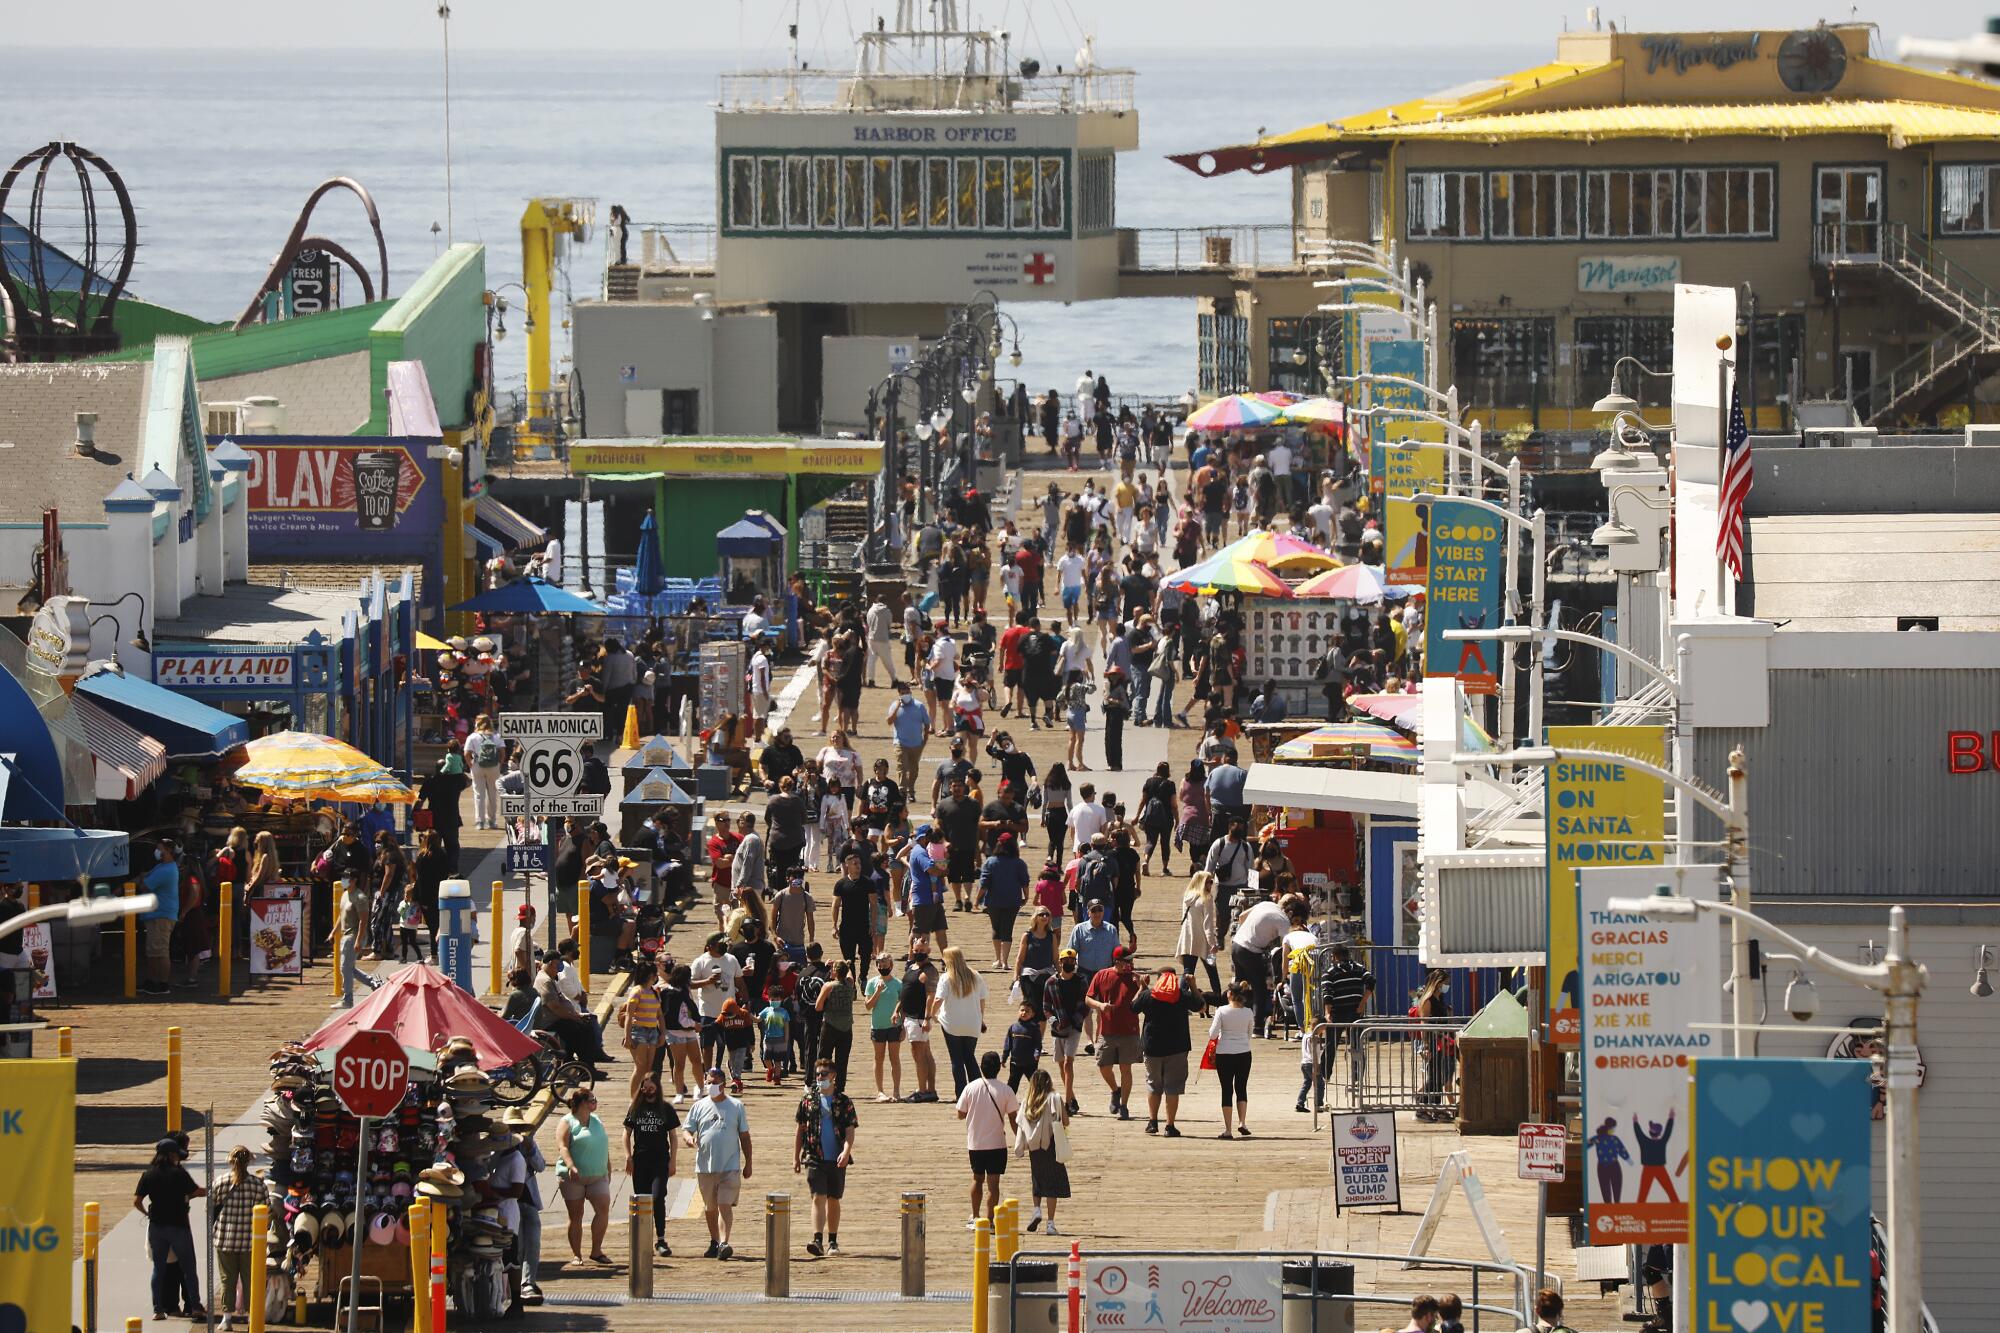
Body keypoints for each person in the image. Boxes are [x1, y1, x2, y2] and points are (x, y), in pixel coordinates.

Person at [682, 1068, 754, 1259]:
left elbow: (744, 1136)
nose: (711, 1086)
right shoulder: (698, 1106)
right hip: (705, 1165)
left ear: (723, 1084)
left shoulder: (736, 1106)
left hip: (729, 1165)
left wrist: (749, 1163)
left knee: (724, 1204)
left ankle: (724, 1242)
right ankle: (714, 1240)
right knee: (710, 1207)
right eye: (708, 1082)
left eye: (714, 1082)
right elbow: (686, 1129)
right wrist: (689, 1139)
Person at [794, 1056, 859, 1257]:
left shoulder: (844, 1101)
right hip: (814, 1156)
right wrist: (796, 1157)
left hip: (837, 1157)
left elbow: (850, 1130)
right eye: (818, 1074)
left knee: (833, 1198)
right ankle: (817, 1239)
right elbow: (800, 1129)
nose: (820, 1077)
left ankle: (833, 1240)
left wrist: (846, 1152)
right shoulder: (808, 1100)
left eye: (823, 1074)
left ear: (833, 1076)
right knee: (818, 1196)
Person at [136, 1136, 206, 1320]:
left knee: (158, 1269)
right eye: (176, 1154)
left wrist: (147, 1214)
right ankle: (196, 1306)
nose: (177, 1158)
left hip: (156, 1227)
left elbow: (136, 1201)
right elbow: (196, 1191)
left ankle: (157, 1309)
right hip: (178, 1227)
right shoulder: (178, 1173)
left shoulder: (148, 1174)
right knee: (188, 1268)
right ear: (170, 1155)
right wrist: (209, 1190)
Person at [956, 1050, 1020, 1228]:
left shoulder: (971, 1088)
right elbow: (1013, 1119)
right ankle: (989, 1220)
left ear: (981, 1067)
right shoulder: (1006, 1090)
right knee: (994, 1185)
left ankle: (975, 1217)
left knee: (977, 1179)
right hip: (997, 1144)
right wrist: (1020, 1139)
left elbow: (960, 1114)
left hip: (976, 1143)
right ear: (999, 1068)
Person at [1230, 892, 1304, 1038]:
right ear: (1290, 914)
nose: (1294, 925)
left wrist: (1254, 932)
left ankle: (1233, 1021)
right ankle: (1257, 1028)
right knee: (1260, 989)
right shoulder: (1283, 921)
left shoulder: (1267, 904)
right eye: (1295, 921)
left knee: (1240, 987)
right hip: (1250, 951)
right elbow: (1288, 945)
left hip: (1236, 944)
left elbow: (1241, 916)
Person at [623, 1076, 682, 1257]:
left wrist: (673, 1160)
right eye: (645, 1088)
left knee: (657, 1197)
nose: (648, 1091)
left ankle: (661, 1239)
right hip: (640, 1160)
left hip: (660, 1160)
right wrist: (628, 1157)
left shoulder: (666, 1108)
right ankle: (642, 1239)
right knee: (641, 1200)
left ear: (657, 1088)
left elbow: (672, 1136)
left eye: (651, 1087)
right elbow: (626, 1134)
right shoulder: (635, 1108)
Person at [1085, 945, 1144, 1118]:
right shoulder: (1102, 975)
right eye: (1127, 961)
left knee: (1126, 1069)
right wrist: (1100, 1005)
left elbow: (1143, 1001)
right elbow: (1088, 998)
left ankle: (1124, 1106)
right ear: (1118, 962)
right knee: (1103, 1065)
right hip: (1107, 1030)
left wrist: (1142, 986)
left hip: (1129, 1030)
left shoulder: (1135, 978)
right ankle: (1115, 1090)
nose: (1131, 964)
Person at [557, 1088, 614, 1265]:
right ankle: (577, 1255)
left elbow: (602, 1144)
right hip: (574, 1178)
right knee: (576, 1215)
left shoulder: (596, 1120)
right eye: (592, 1100)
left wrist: (608, 1167)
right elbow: (563, 1146)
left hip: (598, 1175)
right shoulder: (567, 1122)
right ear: (582, 1103)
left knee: (603, 1209)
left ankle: (596, 1251)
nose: (595, 1102)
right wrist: (570, 1165)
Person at [209, 1144, 262, 1328]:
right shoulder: (257, 1184)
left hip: (225, 1239)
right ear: (249, 1162)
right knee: (250, 1280)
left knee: (227, 1279)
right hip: (249, 1241)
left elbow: (209, 1208)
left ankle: (227, 1318)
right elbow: (266, 1210)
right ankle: (251, 1318)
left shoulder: (220, 1182)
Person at [1319, 942, 1377, 1101]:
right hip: (1356, 1012)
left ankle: (1325, 1075)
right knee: (1357, 1045)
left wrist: (1327, 1013)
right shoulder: (1359, 967)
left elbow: (1327, 993)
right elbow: (1371, 981)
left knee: (1331, 1045)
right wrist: (1363, 1003)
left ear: (1334, 956)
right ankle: (1358, 1077)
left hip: (1338, 1012)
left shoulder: (1330, 972)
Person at [934, 945, 989, 1097]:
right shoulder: (975, 975)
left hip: (952, 1024)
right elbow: (982, 1000)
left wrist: (931, 1015)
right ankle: (978, 1093)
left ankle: (962, 1094)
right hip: (972, 1024)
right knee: (969, 1056)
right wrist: (981, 1018)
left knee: (957, 1060)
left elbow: (938, 999)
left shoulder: (946, 977)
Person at [1208, 982, 1258, 1137]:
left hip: (1224, 1053)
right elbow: (1249, 1034)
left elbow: (1213, 1034)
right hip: (1244, 1052)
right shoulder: (1248, 1012)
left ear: (1229, 994)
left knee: (1227, 1090)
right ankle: (1242, 1122)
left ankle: (1228, 1130)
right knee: (1241, 1087)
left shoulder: (1221, 1011)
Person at [1042, 948, 1089, 1116]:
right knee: (1061, 1063)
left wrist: (1074, 1021)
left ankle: (1068, 1103)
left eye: (1072, 961)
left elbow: (1085, 1006)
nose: (1069, 964)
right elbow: (1046, 1008)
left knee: (1069, 1063)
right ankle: (1073, 1097)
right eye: (1066, 961)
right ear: (1060, 963)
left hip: (1074, 1027)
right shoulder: (1051, 982)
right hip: (1058, 1028)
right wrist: (1055, 1023)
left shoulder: (1081, 981)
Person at [689, 933, 744, 1074]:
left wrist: (746, 1002)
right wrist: (707, 981)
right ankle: (708, 1073)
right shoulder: (700, 961)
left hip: (729, 1012)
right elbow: (690, 984)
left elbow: (739, 981)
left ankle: (733, 1072)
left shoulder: (732, 959)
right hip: (708, 1011)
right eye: (720, 944)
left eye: (725, 943)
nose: (724, 946)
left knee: (732, 1044)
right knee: (707, 1045)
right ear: (710, 947)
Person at [976, 832, 1030, 971]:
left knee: (996, 928)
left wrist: (977, 900)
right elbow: (1025, 882)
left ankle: (998, 959)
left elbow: (984, 884)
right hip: (1013, 900)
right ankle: (1005, 962)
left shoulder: (990, 862)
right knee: (1008, 929)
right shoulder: (1019, 863)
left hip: (993, 900)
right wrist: (1026, 897)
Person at [140, 836, 183, 996]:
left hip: (162, 915)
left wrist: (142, 879)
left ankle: (162, 984)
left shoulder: (167, 870)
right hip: (156, 915)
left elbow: (145, 884)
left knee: (160, 951)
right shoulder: (161, 867)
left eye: (160, 849)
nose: (157, 852)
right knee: (152, 951)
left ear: (169, 851)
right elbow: (145, 877)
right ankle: (151, 981)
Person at [1201, 819, 1254, 939]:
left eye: (1241, 828)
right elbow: (1210, 866)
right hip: (1223, 886)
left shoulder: (1246, 846)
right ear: (1230, 827)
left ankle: (1237, 938)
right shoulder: (1219, 844)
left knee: (1240, 914)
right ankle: (1219, 936)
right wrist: (1206, 886)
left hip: (1241, 886)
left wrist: (1252, 890)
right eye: (1237, 828)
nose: (1239, 831)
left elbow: (1251, 868)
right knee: (1222, 914)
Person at [864, 952, 905, 1102]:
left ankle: (896, 1091)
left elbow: (902, 1006)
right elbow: (868, 1006)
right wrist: (877, 992)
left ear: (891, 966)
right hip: (878, 1025)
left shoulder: (898, 984)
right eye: (880, 966)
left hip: (894, 1025)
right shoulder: (872, 983)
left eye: (885, 965)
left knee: (895, 1058)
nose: (882, 968)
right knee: (879, 1058)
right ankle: (880, 1091)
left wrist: (904, 1026)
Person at [1176, 871, 1223, 995]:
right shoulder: (1206, 898)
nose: (1211, 885)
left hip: (1188, 937)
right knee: (1212, 971)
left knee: (1188, 971)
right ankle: (1218, 999)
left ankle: (1181, 999)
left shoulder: (1188, 895)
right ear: (1202, 883)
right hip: (1202, 940)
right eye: (1209, 882)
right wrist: (1212, 943)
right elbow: (1208, 924)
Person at [816, 960, 858, 1094]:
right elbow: (851, 976)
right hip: (846, 1027)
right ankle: (839, 1088)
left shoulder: (828, 986)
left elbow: (818, 1006)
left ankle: (822, 1084)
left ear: (835, 971)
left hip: (830, 1025)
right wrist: (848, 965)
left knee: (824, 1058)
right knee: (842, 1060)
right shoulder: (850, 984)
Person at [622, 971, 665, 1098]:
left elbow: (660, 1015)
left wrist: (662, 1033)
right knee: (640, 1067)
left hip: (652, 1031)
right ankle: (633, 1099)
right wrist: (627, 1036)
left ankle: (644, 1098)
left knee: (648, 1068)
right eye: (654, 974)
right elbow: (629, 1015)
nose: (656, 976)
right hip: (638, 1031)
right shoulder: (637, 991)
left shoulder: (654, 992)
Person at [465, 715, 505, 829]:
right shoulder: (496, 736)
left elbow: (466, 753)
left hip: (478, 765)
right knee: (492, 793)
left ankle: (480, 822)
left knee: (479, 794)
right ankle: (492, 821)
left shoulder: (472, 737)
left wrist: (471, 765)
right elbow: (503, 753)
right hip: (494, 767)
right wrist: (499, 764)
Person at [1139, 762, 1178, 875]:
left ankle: (1146, 861)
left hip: (1150, 817)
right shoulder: (1170, 784)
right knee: (1165, 843)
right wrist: (1177, 820)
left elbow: (1143, 800)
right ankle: (1165, 869)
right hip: (1166, 818)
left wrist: (1137, 816)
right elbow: (1174, 805)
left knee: (1150, 842)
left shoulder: (1149, 782)